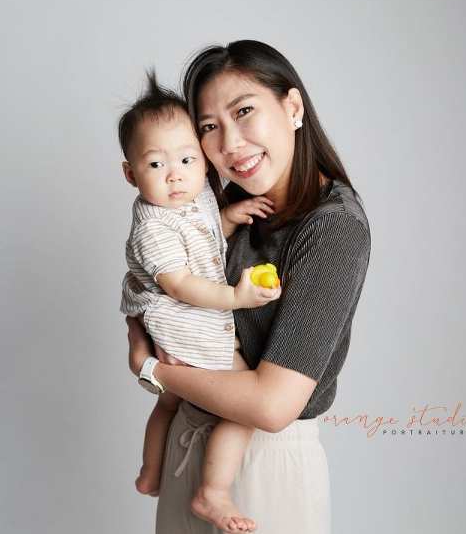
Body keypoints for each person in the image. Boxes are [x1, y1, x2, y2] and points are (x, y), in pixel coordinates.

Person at [126, 40, 371, 534]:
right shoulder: (221, 207)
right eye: (209, 127)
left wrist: (152, 369)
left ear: (293, 108)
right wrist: (139, 327)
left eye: (244, 112)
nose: (230, 144)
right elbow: (155, 283)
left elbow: (271, 406)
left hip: (263, 468)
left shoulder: (333, 228)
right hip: (187, 446)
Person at [118, 71, 283, 532]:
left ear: (201, 161)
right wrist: (236, 296)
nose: (175, 174)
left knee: (169, 403)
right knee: (247, 406)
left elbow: (204, 238)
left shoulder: (195, 196)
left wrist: (228, 217)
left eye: (187, 159)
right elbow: (179, 282)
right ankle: (213, 491)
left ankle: (150, 472)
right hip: (185, 323)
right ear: (131, 174)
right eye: (156, 165)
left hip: (179, 325)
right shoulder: (153, 225)